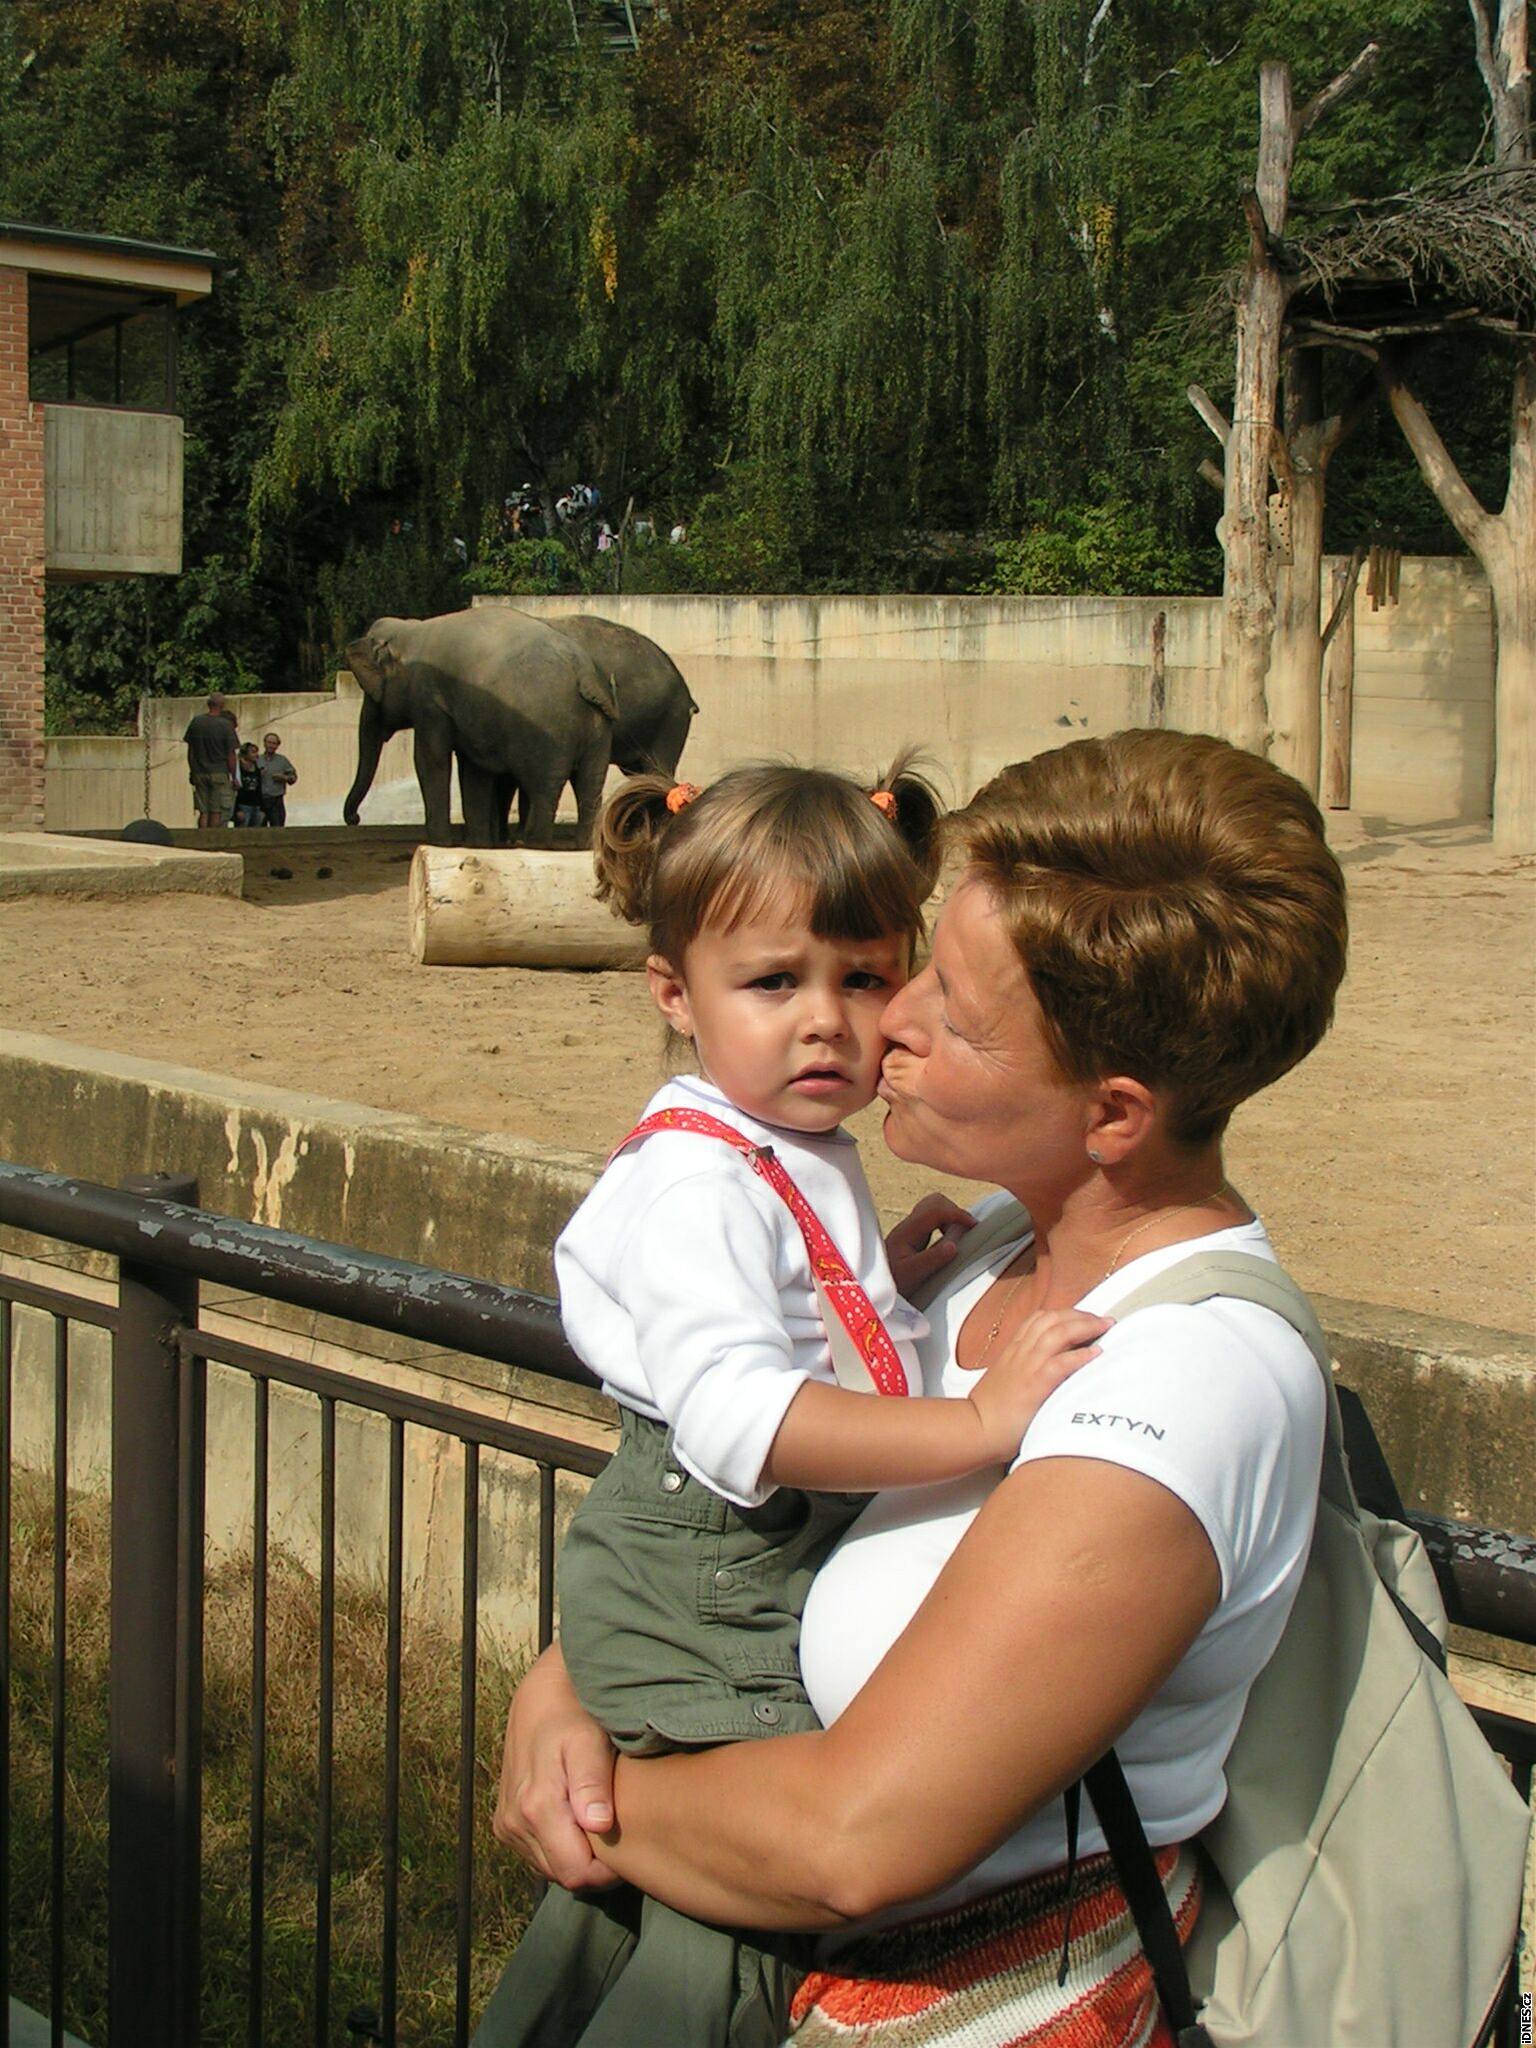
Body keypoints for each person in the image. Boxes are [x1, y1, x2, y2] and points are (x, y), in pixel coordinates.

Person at [487, 728, 1350, 2047]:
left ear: (1114, 1113)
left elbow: (853, 1839)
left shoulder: (1183, 1390)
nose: (887, 1021)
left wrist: (594, 1790)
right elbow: (771, 1500)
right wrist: (571, 1680)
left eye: (947, 1003)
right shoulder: (992, 1243)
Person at [477, 760, 1110, 2047]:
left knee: (647, 1866)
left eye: (864, 977)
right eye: (775, 982)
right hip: (725, 1562)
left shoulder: (786, 1149)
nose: (827, 1020)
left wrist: (900, 1281)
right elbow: (742, 1419)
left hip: (723, 1555)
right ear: (675, 993)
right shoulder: (703, 1184)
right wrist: (981, 1427)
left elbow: (791, 1322)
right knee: (748, 1878)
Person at [183, 692, 237, 828]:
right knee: (216, 810)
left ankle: (201, 839)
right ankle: (214, 840)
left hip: (200, 772)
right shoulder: (226, 725)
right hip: (219, 772)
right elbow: (231, 754)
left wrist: (192, 771)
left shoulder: (196, 722)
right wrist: (234, 776)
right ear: (222, 705)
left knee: (203, 811)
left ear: (208, 704)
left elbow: (191, 751)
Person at [257, 732, 298, 827]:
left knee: (278, 829)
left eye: (274, 743)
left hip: (276, 801)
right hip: (259, 801)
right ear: (264, 743)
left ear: (277, 745)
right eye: (269, 742)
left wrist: (285, 778)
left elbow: (293, 778)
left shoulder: (282, 760)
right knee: (259, 830)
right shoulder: (257, 759)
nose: (271, 746)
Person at [232, 742, 263, 828]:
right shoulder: (238, 770)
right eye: (253, 752)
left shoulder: (257, 769)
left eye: (256, 752)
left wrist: (262, 808)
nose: (256, 755)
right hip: (243, 805)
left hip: (256, 806)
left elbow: (259, 789)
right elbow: (235, 791)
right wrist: (236, 810)